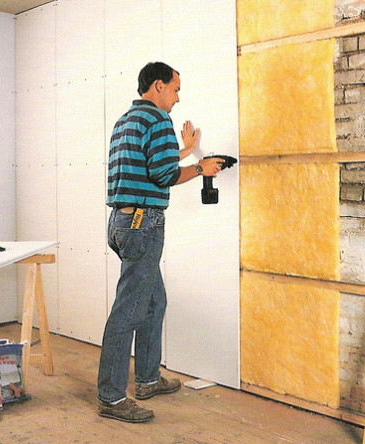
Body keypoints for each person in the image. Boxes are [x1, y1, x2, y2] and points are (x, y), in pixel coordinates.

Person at [98, 62, 224, 423]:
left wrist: (187, 150)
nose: (177, 98)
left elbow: (149, 165)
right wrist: (201, 168)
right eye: (175, 89)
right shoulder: (158, 120)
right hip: (143, 225)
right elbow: (165, 174)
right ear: (158, 86)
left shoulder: (126, 121)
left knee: (154, 301)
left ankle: (148, 379)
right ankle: (111, 398)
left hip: (121, 223)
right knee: (128, 311)